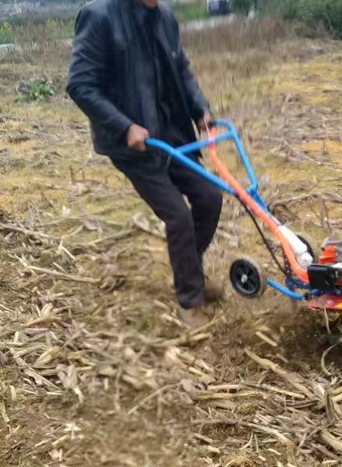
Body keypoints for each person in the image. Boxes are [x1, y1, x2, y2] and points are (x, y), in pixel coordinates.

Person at [66, 0, 223, 328]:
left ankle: (188, 271)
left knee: (210, 197)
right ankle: (190, 299)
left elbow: (181, 70)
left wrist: (201, 110)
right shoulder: (99, 16)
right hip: (133, 145)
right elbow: (80, 85)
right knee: (178, 216)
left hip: (171, 133)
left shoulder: (164, 15)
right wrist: (124, 126)